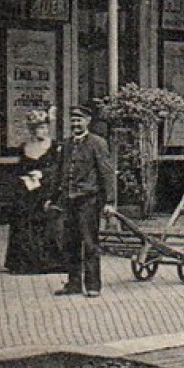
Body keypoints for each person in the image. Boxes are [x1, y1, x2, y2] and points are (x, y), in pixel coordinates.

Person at [48, 104, 117, 297]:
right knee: (70, 243)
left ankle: (93, 285)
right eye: (73, 120)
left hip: (89, 201)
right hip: (68, 201)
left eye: (80, 120)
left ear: (88, 121)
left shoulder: (97, 143)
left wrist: (110, 201)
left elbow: (106, 173)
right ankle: (73, 284)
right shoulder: (66, 144)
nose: (76, 123)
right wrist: (52, 198)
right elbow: (59, 173)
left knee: (89, 243)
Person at [4, 108, 64, 274]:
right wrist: (24, 177)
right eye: (39, 128)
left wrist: (43, 174)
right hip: (28, 191)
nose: (43, 131)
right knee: (24, 222)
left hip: (47, 190)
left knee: (47, 223)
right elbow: (20, 168)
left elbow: (58, 168)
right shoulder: (25, 147)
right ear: (32, 130)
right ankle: (25, 262)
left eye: (45, 128)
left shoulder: (54, 146)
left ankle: (50, 262)